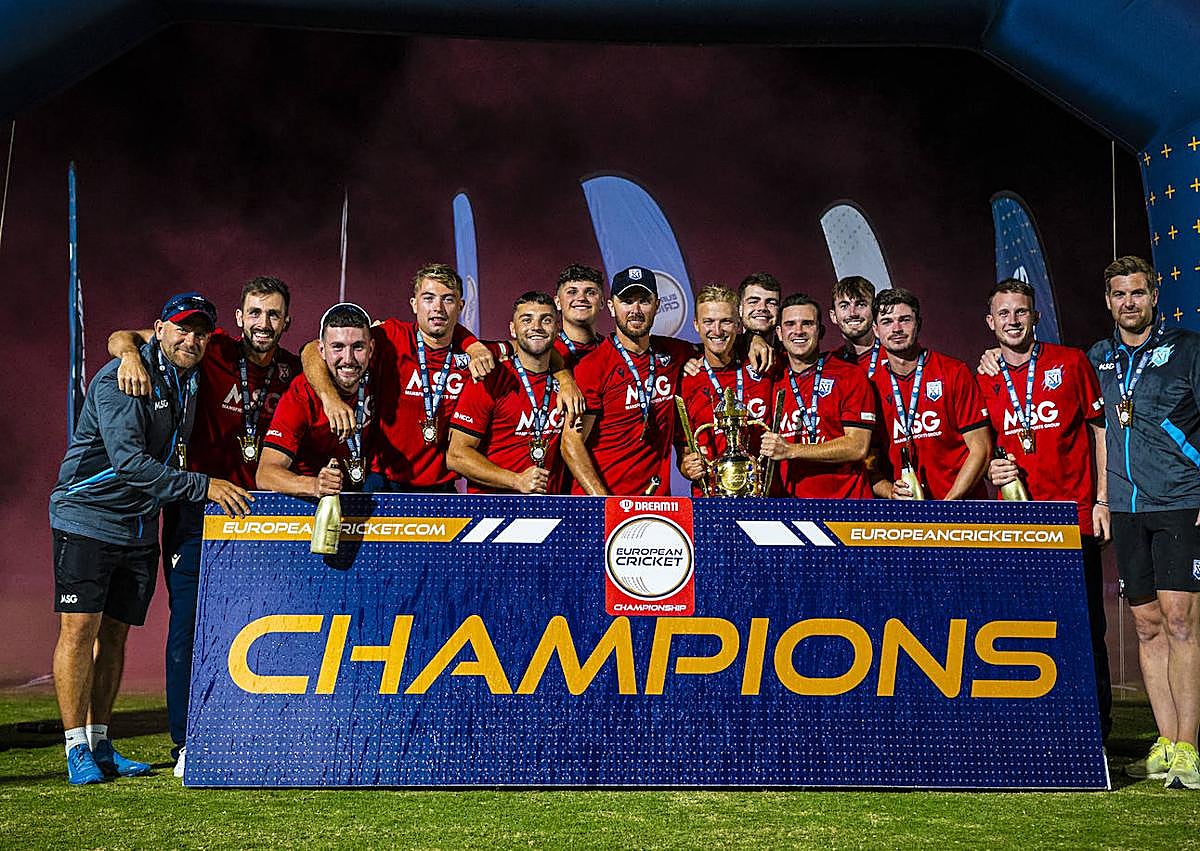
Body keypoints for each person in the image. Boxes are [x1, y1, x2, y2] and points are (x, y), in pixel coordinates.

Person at [50, 293, 251, 784]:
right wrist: (206, 485)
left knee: (115, 634)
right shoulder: (125, 377)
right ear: (159, 330)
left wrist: (128, 344)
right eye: (182, 329)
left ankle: (101, 742)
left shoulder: (189, 374)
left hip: (139, 524)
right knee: (80, 630)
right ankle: (76, 747)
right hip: (89, 518)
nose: (193, 339)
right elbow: (131, 465)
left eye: (201, 332)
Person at [107, 277, 299, 775]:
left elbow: (321, 362)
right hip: (200, 510)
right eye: (255, 313)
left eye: (274, 315)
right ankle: (187, 741)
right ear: (238, 318)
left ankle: (268, 728)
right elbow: (129, 337)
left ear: (287, 322)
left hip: (267, 516)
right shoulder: (209, 349)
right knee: (190, 626)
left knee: (272, 624)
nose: (264, 324)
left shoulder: (294, 370)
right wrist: (128, 353)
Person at [976, 278, 1112, 740]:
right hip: (1016, 523)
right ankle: (1031, 724)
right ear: (991, 322)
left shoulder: (1071, 363)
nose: (1013, 321)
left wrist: (1103, 500)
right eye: (1004, 314)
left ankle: (1095, 731)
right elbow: (983, 445)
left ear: (1035, 317)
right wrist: (992, 468)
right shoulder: (985, 376)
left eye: (1021, 312)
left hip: (1071, 516)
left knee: (1086, 625)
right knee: (1022, 622)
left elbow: (1100, 431)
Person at [1087, 255, 1200, 788]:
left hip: (1180, 498)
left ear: (1155, 295)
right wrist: (1104, 497)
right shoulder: (1101, 358)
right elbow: (1103, 430)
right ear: (1108, 302)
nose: (1128, 303)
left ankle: (1188, 745)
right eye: (1118, 294)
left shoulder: (1188, 349)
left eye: (1137, 292)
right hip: (1128, 507)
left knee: (1181, 621)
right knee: (1146, 624)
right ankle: (1163, 737)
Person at [304, 263, 500, 493]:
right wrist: (330, 399)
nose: (437, 308)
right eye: (428, 298)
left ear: (461, 306)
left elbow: (532, 349)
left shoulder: (476, 355)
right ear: (414, 304)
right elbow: (311, 350)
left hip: (441, 488)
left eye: (448, 299)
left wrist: (473, 345)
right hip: (383, 482)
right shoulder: (391, 337)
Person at [448, 292, 605, 494]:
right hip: (493, 513)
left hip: (548, 513)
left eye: (546, 320)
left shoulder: (570, 387)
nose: (536, 327)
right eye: (526, 319)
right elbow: (456, 455)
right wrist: (515, 480)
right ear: (513, 329)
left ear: (557, 330)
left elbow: (573, 446)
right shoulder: (490, 379)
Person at [573, 266, 696, 495]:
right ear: (611, 307)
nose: (636, 310)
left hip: (655, 502)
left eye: (644, 301)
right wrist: (603, 500)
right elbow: (571, 444)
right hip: (603, 501)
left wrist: (754, 341)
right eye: (627, 301)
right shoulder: (593, 366)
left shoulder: (675, 353)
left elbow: (719, 346)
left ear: (657, 305)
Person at [871, 288, 991, 499]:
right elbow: (868, 462)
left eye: (905, 320)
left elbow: (981, 448)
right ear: (875, 329)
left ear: (919, 323)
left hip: (960, 509)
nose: (896, 328)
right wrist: (889, 491)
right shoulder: (870, 386)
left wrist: (948, 504)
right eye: (887, 321)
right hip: (907, 516)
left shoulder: (954, 372)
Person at [758, 294, 876, 498]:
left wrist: (792, 450)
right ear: (779, 332)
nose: (798, 331)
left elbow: (857, 447)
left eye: (807, 323)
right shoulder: (770, 375)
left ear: (820, 331)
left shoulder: (849, 375)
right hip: (791, 507)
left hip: (846, 507)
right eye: (790, 324)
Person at [259, 303, 375, 496]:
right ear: (321, 350)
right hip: (314, 503)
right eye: (337, 347)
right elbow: (265, 474)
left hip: (371, 496)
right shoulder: (301, 393)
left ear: (371, 349)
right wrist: (314, 485)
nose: (348, 359)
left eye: (358, 347)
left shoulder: (381, 368)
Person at [676, 285, 775, 495]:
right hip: (710, 503)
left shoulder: (763, 365)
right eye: (708, 322)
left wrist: (755, 337)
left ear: (739, 324)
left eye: (726, 321)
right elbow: (683, 454)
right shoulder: (685, 381)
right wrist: (688, 467)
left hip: (765, 499)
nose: (717, 330)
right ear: (696, 325)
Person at [829, 275, 883, 379]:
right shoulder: (832, 363)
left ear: (874, 311)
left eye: (861, 304)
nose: (853, 313)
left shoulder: (894, 356)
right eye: (844, 306)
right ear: (833, 316)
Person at [553, 263, 606, 365]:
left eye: (590, 292)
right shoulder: (547, 350)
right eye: (572, 292)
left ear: (602, 303)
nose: (581, 298)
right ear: (558, 302)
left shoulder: (613, 349)